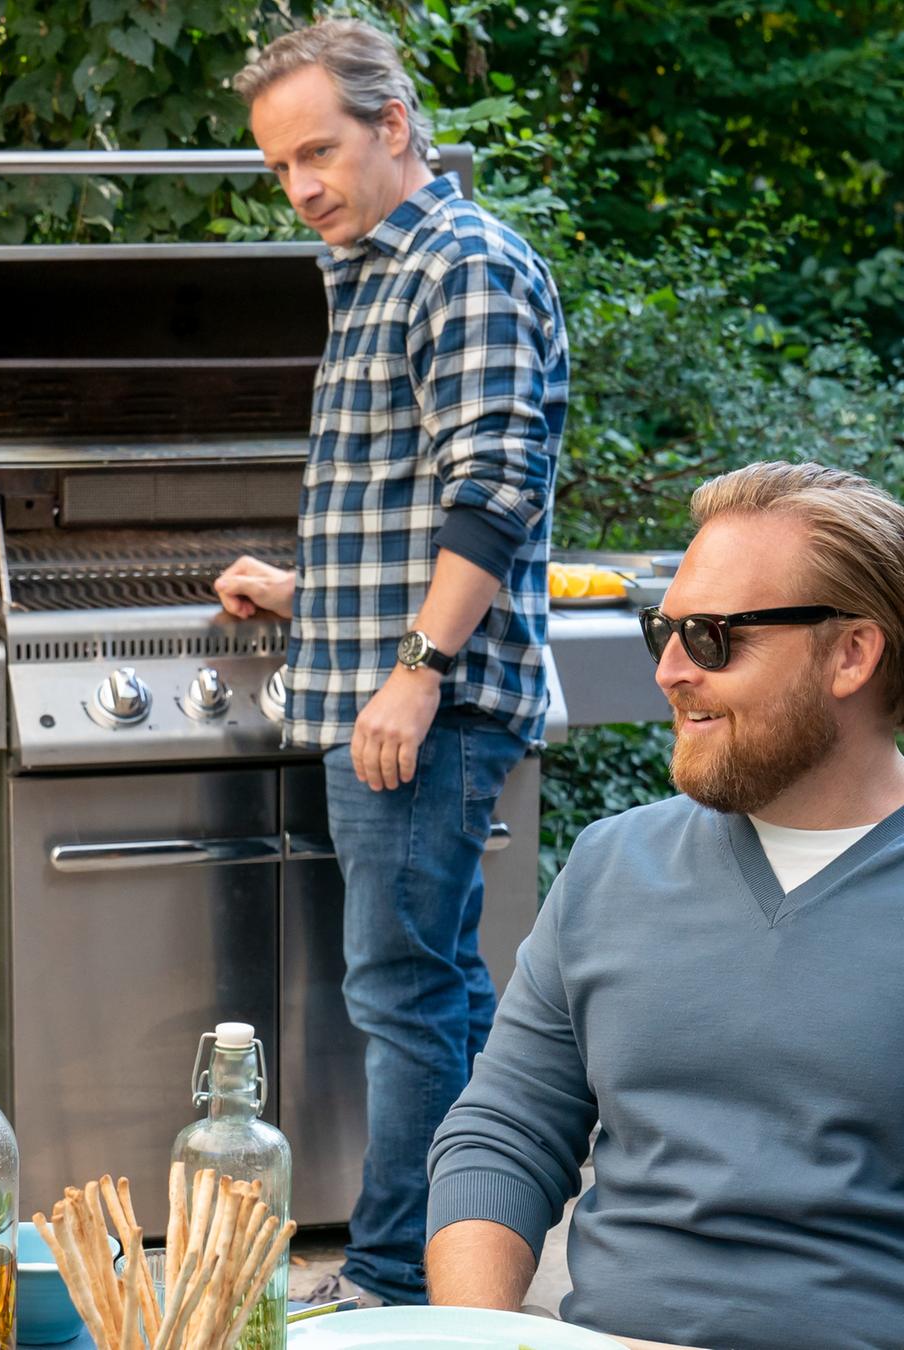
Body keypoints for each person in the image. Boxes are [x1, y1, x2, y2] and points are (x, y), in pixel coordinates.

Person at [425, 461, 904, 1350]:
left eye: (711, 638)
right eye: (662, 628)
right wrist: (472, 1336)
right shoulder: (610, 867)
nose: (668, 670)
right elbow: (502, 1134)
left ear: (851, 653)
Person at [211, 19, 568, 1307]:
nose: (302, 184)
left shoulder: (458, 263)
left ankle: (392, 1283)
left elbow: (495, 490)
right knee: (442, 989)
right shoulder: (376, 266)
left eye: (321, 150)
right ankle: (467, 1264)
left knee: (404, 996)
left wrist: (414, 670)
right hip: (388, 673)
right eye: (281, 166)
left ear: (395, 124)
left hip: (429, 703)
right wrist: (313, 595)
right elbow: (417, 500)